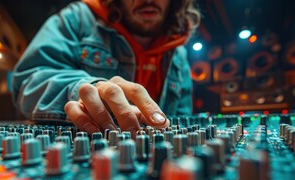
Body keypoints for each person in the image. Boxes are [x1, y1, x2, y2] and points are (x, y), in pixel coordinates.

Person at [12, 0, 200, 135]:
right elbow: (29, 80)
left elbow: (181, 120)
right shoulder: (77, 18)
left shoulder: (178, 52)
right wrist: (84, 92)